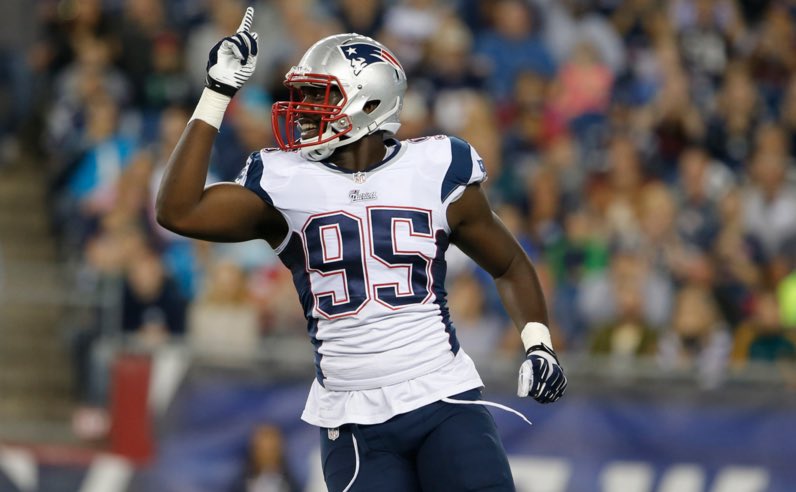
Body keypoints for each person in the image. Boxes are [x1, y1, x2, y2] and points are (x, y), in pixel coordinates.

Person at [156, 8, 566, 491]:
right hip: (353, 418)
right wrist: (217, 92)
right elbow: (178, 211)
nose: (303, 108)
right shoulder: (285, 182)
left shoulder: (434, 167)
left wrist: (539, 343)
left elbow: (510, 262)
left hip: (443, 395)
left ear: (368, 103)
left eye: (318, 95)